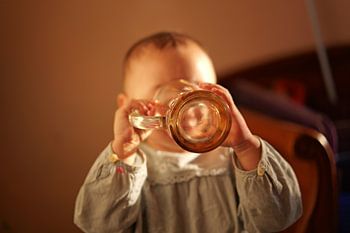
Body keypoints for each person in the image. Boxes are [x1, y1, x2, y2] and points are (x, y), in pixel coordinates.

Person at [74, 32, 302, 233]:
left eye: (195, 90)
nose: (186, 107)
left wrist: (245, 145)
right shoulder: (126, 168)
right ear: (127, 105)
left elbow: (279, 218)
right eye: (162, 92)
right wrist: (123, 153)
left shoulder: (233, 161)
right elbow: (97, 225)